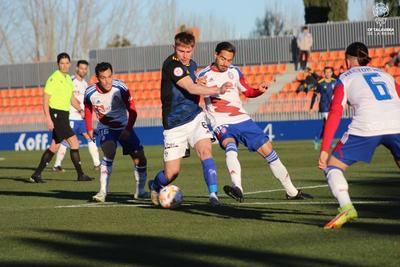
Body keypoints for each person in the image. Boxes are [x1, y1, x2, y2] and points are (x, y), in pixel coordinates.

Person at [199, 41, 313, 202]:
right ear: (215, 55)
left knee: (269, 151)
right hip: (221, 122)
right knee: (230, 147)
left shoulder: (235, 72)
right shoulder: (202, 75)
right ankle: (237, 187)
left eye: (229, 60)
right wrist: (198, 88)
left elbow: (248, 91)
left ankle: (292, 191)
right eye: (223, 59)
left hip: (243, 119)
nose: (226, 63)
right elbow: (195, 96)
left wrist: (258, 90)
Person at [319, 42, 400, 229]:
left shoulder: (345, 77)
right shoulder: (385, 74)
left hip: (367, 125)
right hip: (397, 121)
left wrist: (324, 149)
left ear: (348, 60)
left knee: (333, 168)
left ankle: (346, 207)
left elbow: (335, 112)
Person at [148, 31, 231, 207]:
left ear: (193, 49)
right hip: (174, 124)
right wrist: (217, 89)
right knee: (172, 173)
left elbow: (193, 83)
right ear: (174, 48)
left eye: (188, 51)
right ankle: (155, 185)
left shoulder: (192, 64)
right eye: (181, 51)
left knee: (205, 152)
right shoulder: (172, 65)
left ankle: (213, 196)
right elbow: (191, 89)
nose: (185, 55)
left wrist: (198, 82)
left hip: (194, 117)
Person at [84, 62, 149, 202]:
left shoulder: (121, 88)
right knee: (109, 151)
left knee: (140, 157)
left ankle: (140, 191)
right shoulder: (90, 92)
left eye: (109, 76)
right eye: (103, 77)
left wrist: (128, 129)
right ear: (97, 78)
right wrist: (89, 127)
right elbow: (88, 109)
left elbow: (133, 111)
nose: (107, 81)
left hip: (124, 126)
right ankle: (102, 192)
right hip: (106, 127)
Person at [30, 53, 94, 183]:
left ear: (70, 64)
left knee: (54, 146)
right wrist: (48, 118)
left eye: (66, 63)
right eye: (61, 63)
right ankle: (80, 174)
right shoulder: (53, 78)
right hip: (56, 114)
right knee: (74, 142)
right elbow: (45, 100)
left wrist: (80, 109)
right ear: (58, 64)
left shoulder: (68, 79)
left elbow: (71, 99)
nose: (64, 65)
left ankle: (36, 174)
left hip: (64, 115)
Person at [53, 60, 100, 172]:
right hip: (71, 117)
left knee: (90, 138)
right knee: (66, 141)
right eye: (81, 68)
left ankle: (97, 164)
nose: (83, 70)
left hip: (82, 118)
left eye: (85, 69)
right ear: (76, 69)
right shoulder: (70, 80)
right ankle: (57, 165)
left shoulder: (85, 84)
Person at [310, 66, 336, 149]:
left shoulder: (335, 82)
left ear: (332, 73)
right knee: (329, 124)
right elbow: (314, 95)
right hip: (324, 106)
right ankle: (330, 142)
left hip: (332, 106)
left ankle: (317, 139)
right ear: (324, 73)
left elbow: (339, 93)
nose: (328, 74)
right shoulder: (320, 83)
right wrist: (311, 107)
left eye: (329, 72)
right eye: (326, 72)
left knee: (326, 125)